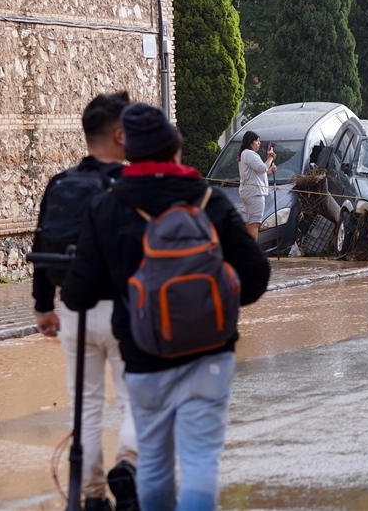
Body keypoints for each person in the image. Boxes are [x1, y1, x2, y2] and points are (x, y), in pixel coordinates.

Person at [62, 103, 271, 511]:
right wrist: (219, 305)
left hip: (142, 356)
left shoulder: (106, 207)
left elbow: (78, 295)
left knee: (154, 465)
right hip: (210, 355)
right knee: (198, 462)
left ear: (131, 154)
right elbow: (256, 275)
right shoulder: (208, 200)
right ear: (175, 149)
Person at [31, 92, 139, 511]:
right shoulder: (131, 187)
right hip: (125, 313)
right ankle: (128, 468)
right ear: (118, 135)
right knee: (137, 401)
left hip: (74, 312)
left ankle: (92, 497)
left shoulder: (60, 184)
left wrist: (44, 306)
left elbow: (41, 245)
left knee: (86, 407)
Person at [237, 130, 276, 240]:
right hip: (254, 192)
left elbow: (259, 172)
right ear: (250, 141)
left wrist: (270, 171)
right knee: (255, 223)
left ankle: (247, 251)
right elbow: (262, 168)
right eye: (257, 141)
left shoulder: (244, 154)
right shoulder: (249, 153)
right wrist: (271, 157)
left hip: (248, 191)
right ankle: (253, 253)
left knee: (249, 222)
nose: (259, 143)